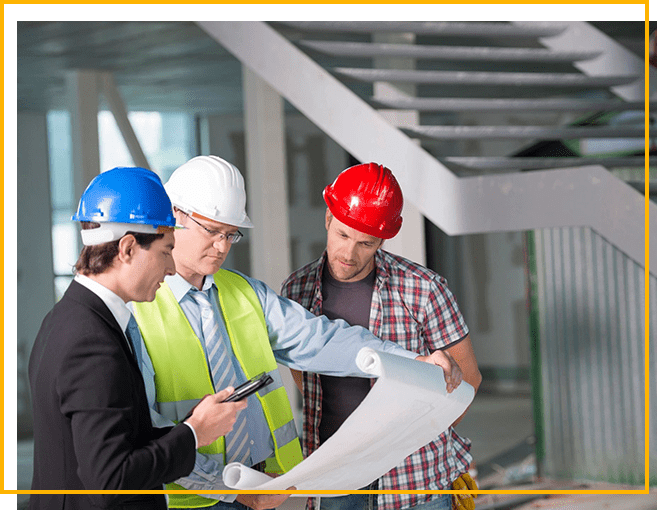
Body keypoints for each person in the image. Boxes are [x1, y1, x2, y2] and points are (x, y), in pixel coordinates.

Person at [131, 155, 463, 510]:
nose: (223, 246)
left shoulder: (244, 291)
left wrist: (413, 360)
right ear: (174, 216)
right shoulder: (138, 308)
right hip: (196, 496)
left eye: (231, 234)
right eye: (211, 230)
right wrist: (228, 487)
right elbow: (144, 430)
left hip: (263, 484)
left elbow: (321, 339)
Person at [28, 167, 247, 510]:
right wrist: (193, 435)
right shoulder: (91, 343)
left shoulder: (66, 319)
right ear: (128, 248)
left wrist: (190, 425)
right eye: (165, 252)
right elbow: (111, 478)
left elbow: (108, 443)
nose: (172, 269)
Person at [281, 163, 483, 510]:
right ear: (328, 218)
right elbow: (302, 371)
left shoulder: (422, 289)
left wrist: (418, 436)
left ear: (382, 239)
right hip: (335, 472)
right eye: (342, 235)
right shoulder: (296, 290)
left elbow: (468, 378)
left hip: (414, 477)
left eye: (365, 243)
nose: (349, 253)